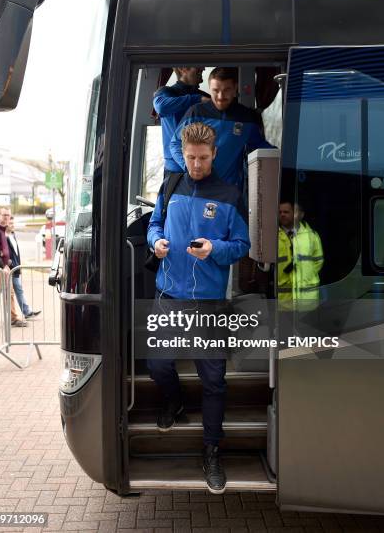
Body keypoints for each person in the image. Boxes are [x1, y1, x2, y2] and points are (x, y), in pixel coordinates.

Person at [147, 123, 250, 494]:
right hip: (169, 295)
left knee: (214, 382)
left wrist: (214, 250)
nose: (195, 164)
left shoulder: (229, 193)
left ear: (214, 154)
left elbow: (242, 245)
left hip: (209, 302)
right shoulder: (171, 183)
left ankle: (211, 451)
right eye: (190, 157)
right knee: (157, 363)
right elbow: (155, 223)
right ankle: (174, 402)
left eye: (202, 158)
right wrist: (156, 240)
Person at [170, 67, 274, 188]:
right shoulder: (196, 112)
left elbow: (259, 146)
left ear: (235, 89)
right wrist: (190, 167)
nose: (220, 96)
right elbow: (175, 144)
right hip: (199, 187)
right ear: (210, 88)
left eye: (226, 90)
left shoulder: (246, 117)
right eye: (216, 90)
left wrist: (279, 154)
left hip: (231, 191)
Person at [153, 67, 210, 175]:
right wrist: (197, 100)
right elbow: (161, 107)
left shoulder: (205, 97)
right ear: (183, 69)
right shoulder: (167, 92)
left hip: (202, 165)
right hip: (175, 170)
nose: (203, 67)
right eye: (198, 66)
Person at [278, 202, 324, 309]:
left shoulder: (312, 236)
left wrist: (306, 276)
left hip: (308, 299)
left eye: (286, 212)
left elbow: (319, 261)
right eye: (280, 212)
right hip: (284, 300)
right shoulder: (274, 237)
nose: (282, 215)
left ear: (301, 215)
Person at [6, 216, 41, 319]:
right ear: (6, 224)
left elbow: (16, 253)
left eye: (13, 223)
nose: (13, 225)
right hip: (10, 268)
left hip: (15, 268)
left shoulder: (12, 235)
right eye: (10, 223)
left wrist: (18, 266)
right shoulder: (4, 237)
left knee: (18, 290)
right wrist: (11, 264)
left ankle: (27, 312)